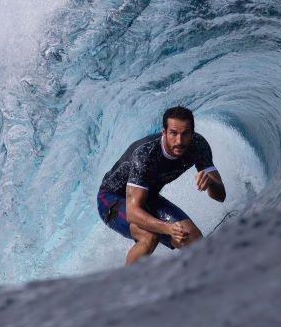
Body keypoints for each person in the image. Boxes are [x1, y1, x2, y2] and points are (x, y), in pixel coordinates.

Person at [97, 106, 226, 265]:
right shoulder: (146, 154)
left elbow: (221, 196)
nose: (179, 141)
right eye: (173, 133)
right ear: (164, 132)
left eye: (185, 134)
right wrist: (167, 228)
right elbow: (132, 213)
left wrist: (211, 182)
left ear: (192, 133)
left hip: (148, 197)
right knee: (149, 236)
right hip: (112, 198)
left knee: (195, 242)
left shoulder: (198, 146)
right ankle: (127, 286)